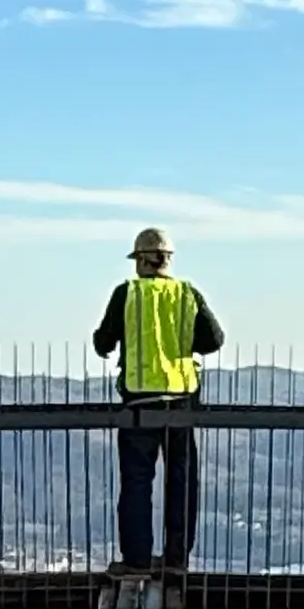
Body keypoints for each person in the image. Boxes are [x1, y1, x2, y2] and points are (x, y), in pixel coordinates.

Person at [90, 226, 224, 570]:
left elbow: (104, 341)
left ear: (141, 261)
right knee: (181, 482)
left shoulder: (128, 294)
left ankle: (136, 561)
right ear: (167, 261)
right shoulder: (187, 294)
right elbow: (214, 340)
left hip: (138, 405)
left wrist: (107, 343)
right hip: (180, 404)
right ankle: (177, 559)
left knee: (137, 482)